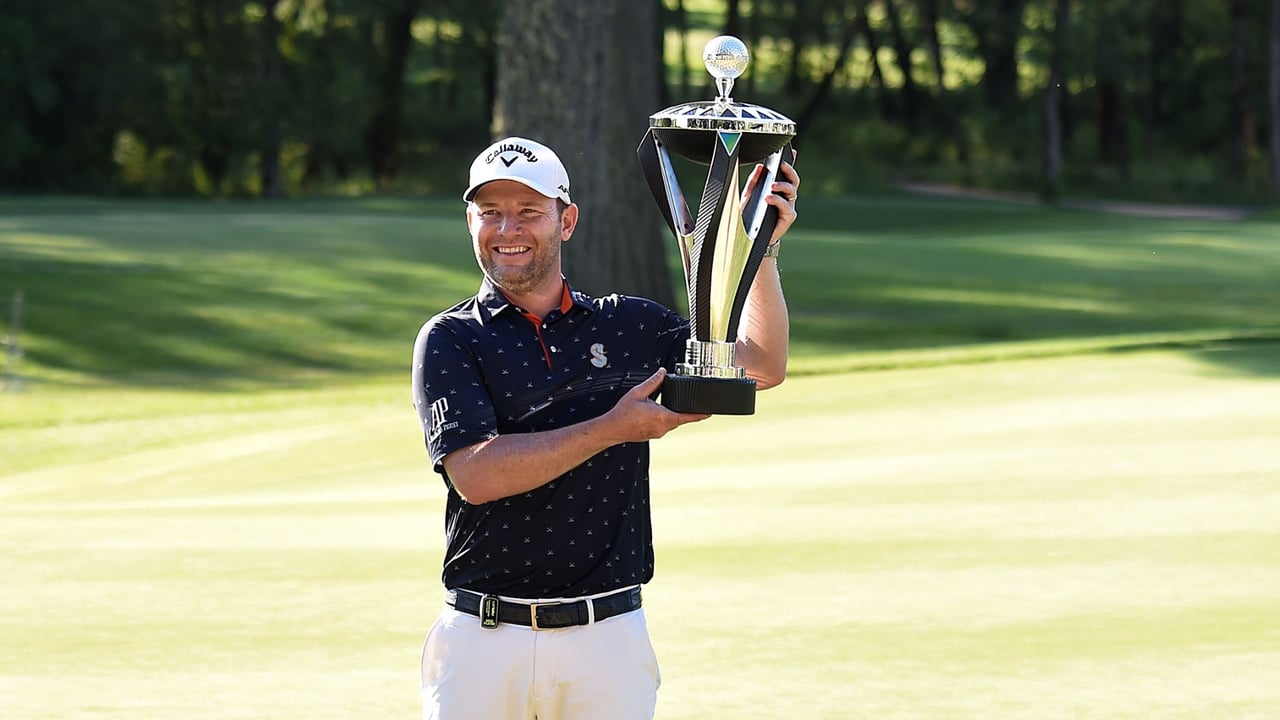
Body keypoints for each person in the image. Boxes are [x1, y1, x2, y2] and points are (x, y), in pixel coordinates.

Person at [411, 136, 799, 720]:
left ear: (566, 220)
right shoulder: (451, 338)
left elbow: (761, 365)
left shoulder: (630, 326)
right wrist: (613, 427)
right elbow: (476, 474)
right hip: (482, 638)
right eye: (490, 212)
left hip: (607, 637)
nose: (507, 228)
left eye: (529, 212)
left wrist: (760, 252)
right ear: (471, 222)